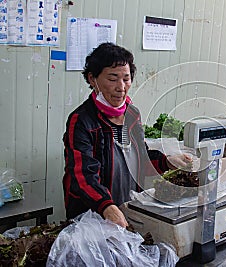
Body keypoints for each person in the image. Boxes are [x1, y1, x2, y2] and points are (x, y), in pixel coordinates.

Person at [63, 43, 191, 228]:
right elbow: (82, 174)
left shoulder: (132, 115)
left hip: (128, 206)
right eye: (113, 78)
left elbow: (141, 159)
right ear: (92, 79)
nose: (121, 87)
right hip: (93, 212)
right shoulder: (82, 120)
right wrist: (106, 206)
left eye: (126, 78)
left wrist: (167, 162)